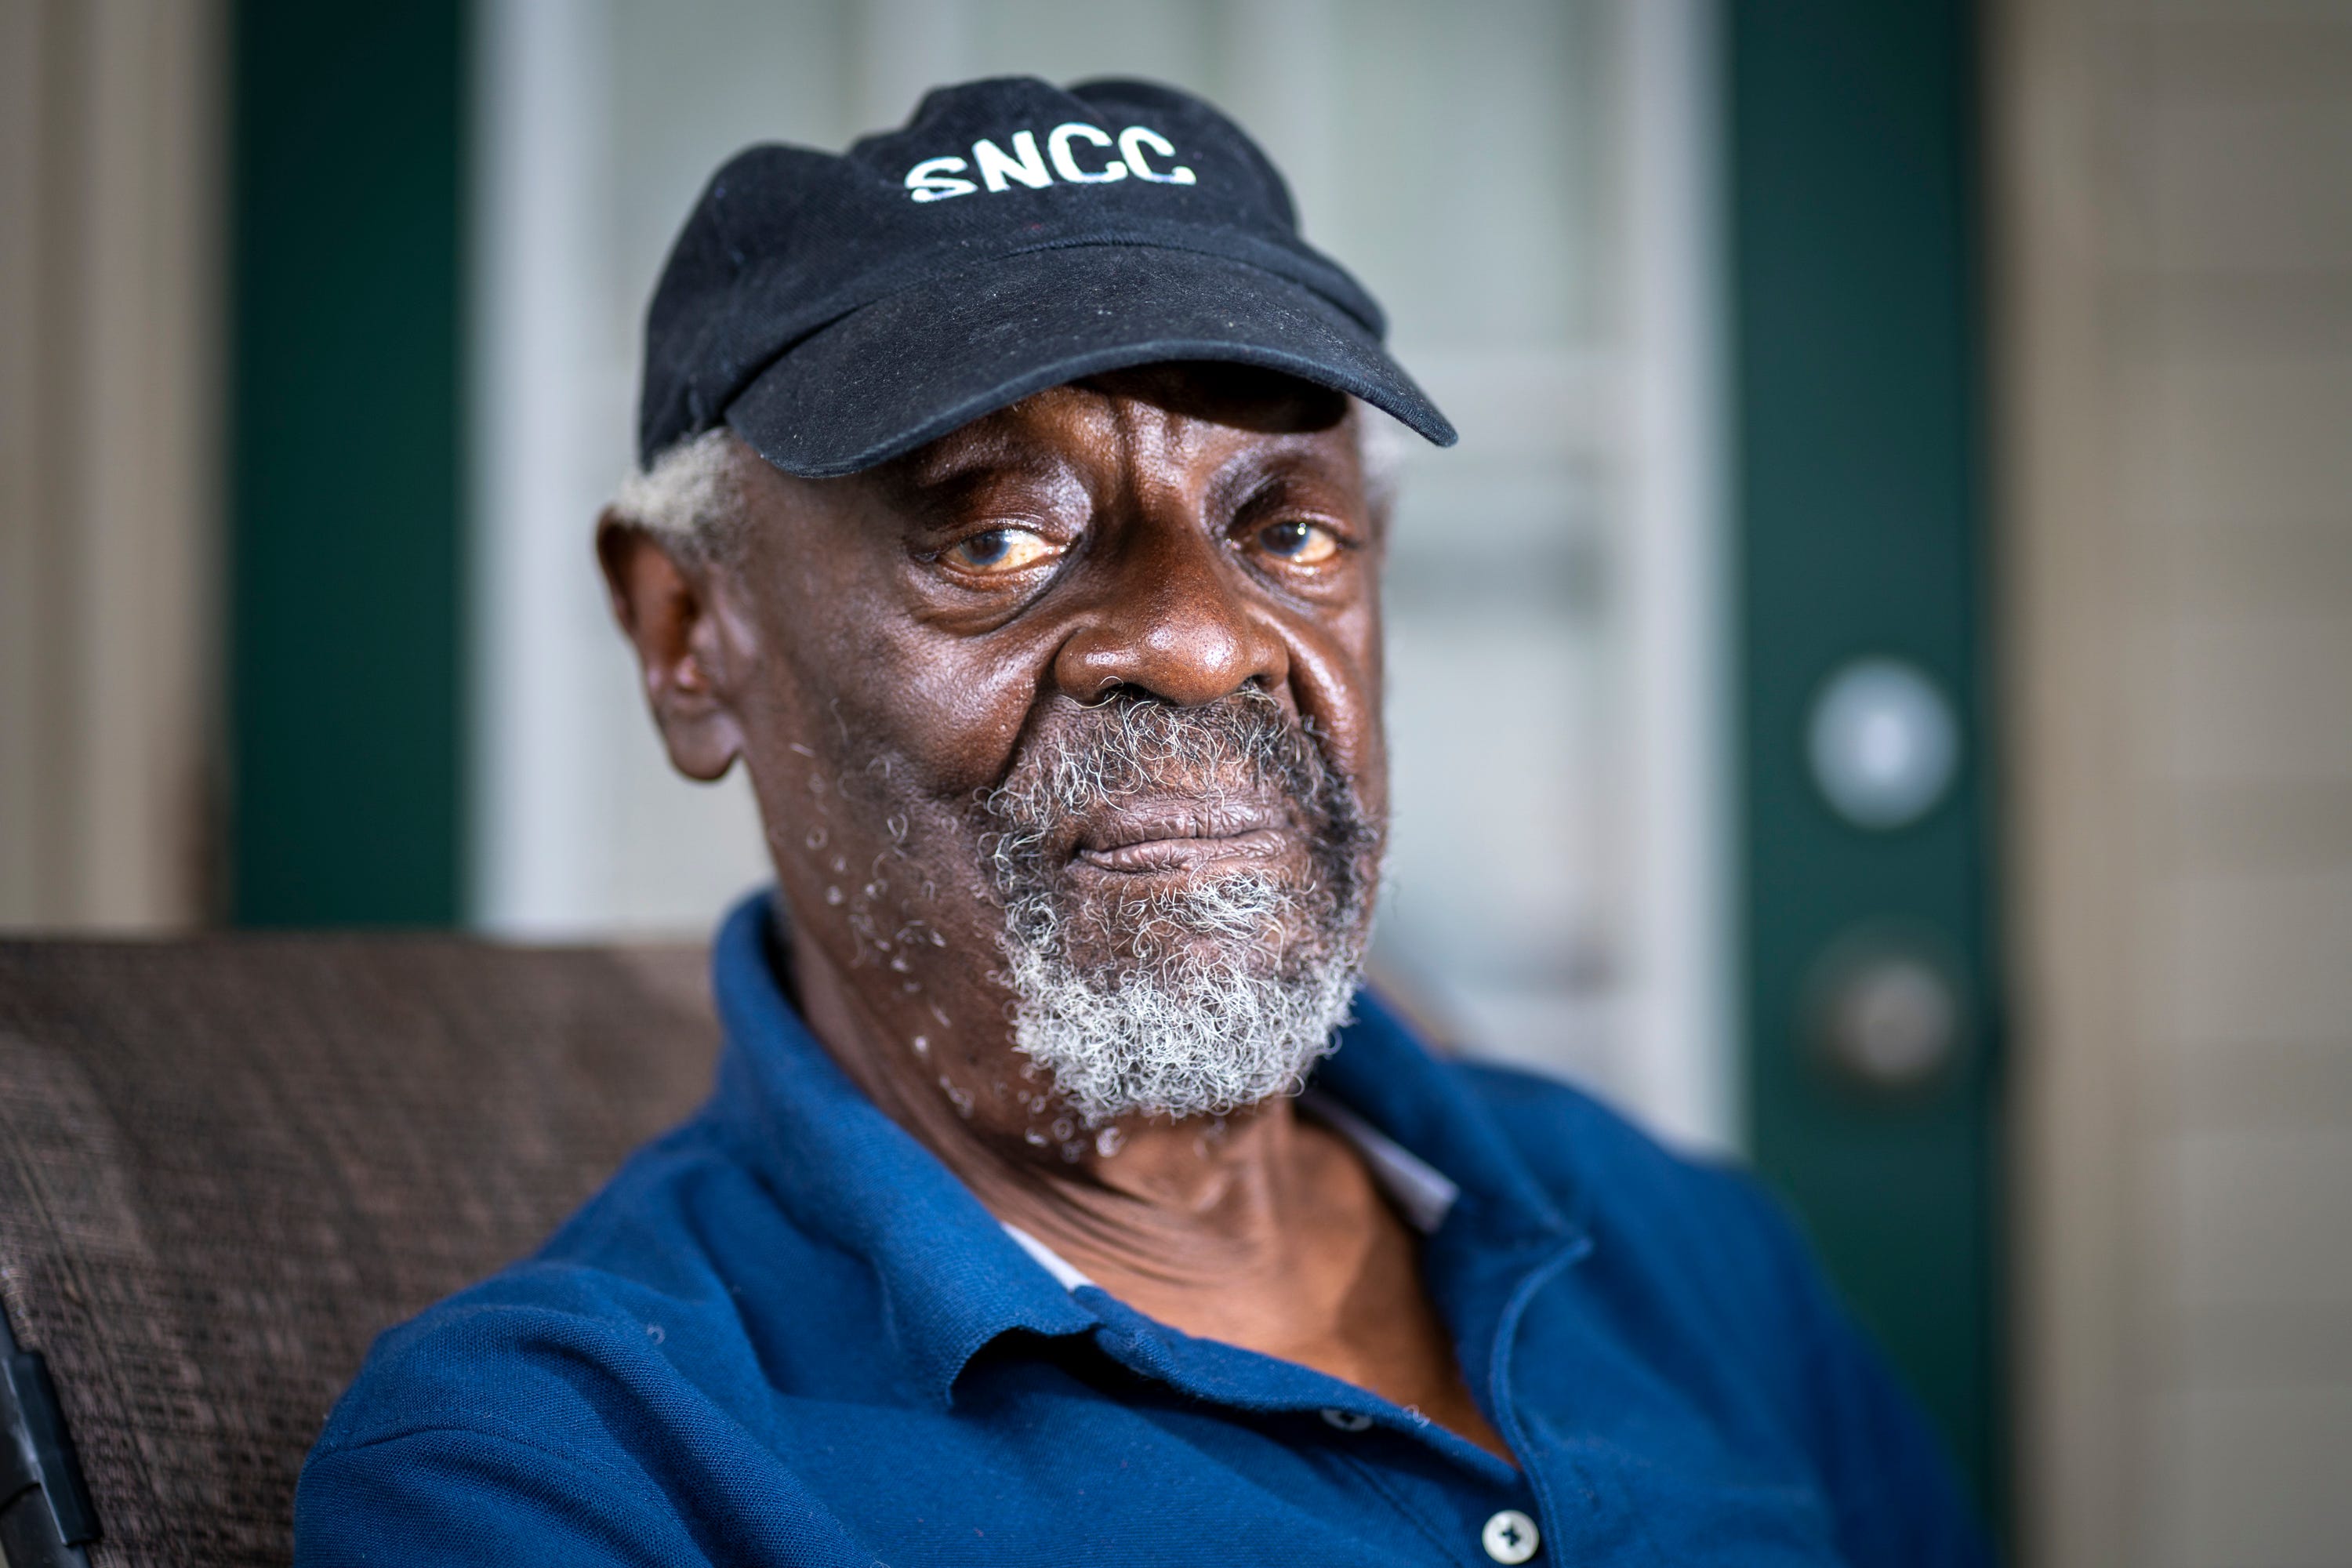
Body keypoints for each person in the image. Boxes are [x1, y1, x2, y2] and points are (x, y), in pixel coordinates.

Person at [295, 77, 1987, 1566]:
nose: (1199, 635)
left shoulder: (1672, 1238)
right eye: (993, 541)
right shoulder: (559, 1473)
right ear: (687, 634)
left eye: (1292, 531)